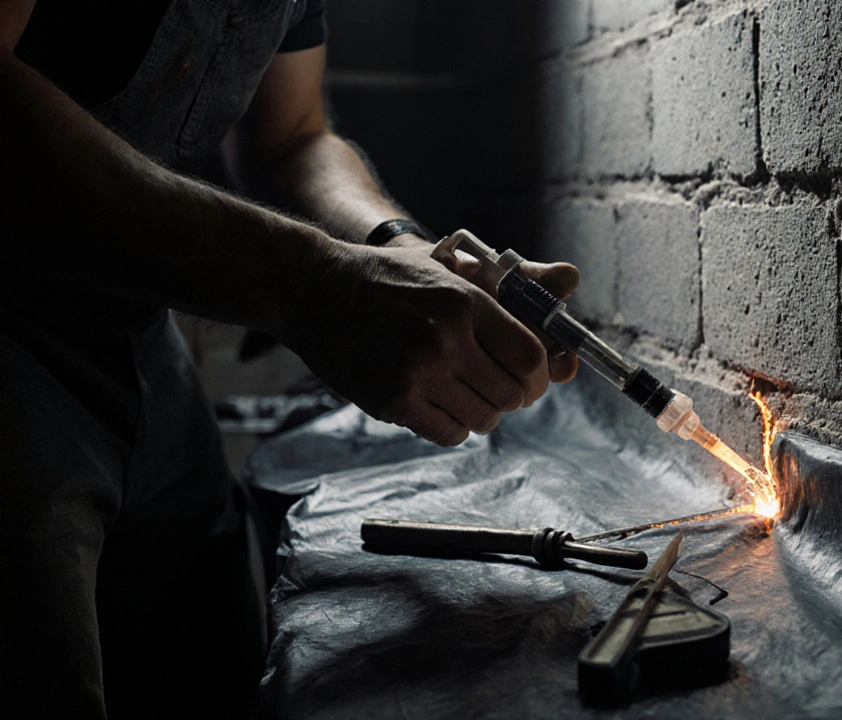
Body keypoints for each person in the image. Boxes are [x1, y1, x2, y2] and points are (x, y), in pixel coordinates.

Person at [0, 1, 578, 717]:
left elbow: (295, 134)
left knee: (209, 660)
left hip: (140, 337)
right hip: (9, 330)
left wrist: (399, 249)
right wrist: (312, 283)